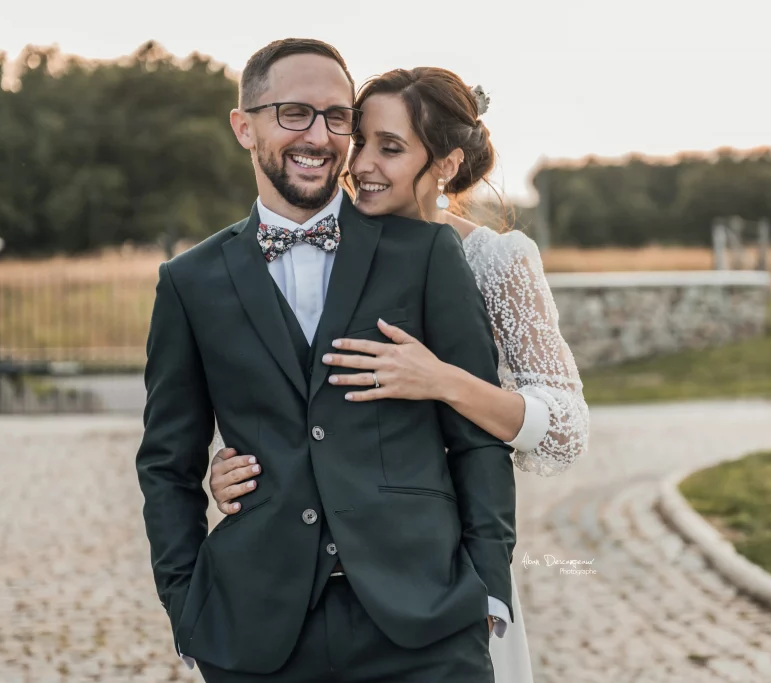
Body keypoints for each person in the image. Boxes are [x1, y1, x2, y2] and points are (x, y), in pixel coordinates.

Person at [135, 38, 516, 683]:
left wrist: (487, 591)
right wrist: (188, 608)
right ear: (244, 127)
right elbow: (167, 464)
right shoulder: (189, 281)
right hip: (257, 634)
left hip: (427, 628)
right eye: (294, 113)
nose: (318, 135)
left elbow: (477, 438)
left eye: (337, 117)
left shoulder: (424, 255)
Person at [208, 65, 590, 682]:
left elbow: (566, 429)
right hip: (320, 599)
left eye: (390, 148)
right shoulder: (314, 243)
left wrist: (443, 381)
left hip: (445, 579)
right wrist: (236, 464)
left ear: (445, 163)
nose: (360, 164)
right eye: (360, 140)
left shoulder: (493, 258)